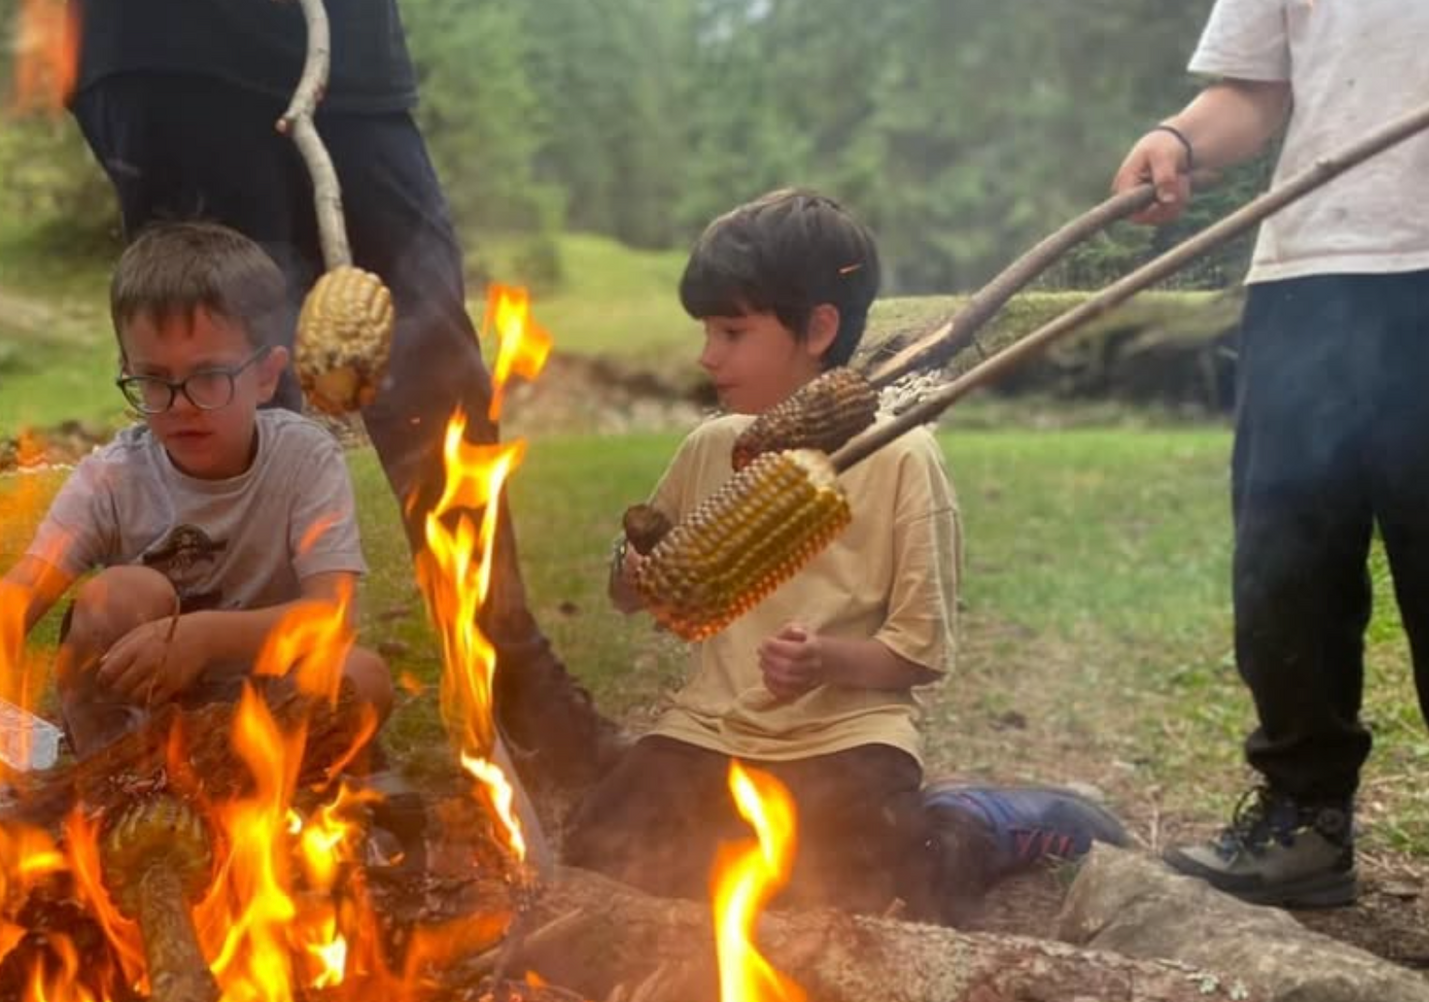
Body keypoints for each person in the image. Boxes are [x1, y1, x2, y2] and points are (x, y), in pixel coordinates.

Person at [64, 0, 618, 785]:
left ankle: (514, 672)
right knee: (233, 376)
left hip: (347, 55)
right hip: (173, 40)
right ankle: (270, 707)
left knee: (437, 367)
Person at [562, 190, 1126, 920]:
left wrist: (826, 660)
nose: (708, 355)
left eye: (733, 331)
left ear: (818, 327)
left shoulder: (901, 456)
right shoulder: (710, 447)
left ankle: (983, 819)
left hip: (844, 736)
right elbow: (626, 589)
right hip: (711, 729)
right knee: (604, 849)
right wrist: (633, 570)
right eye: (706, 331)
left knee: (880, 890)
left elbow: (919, 651)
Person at [1110, 0, 1429, 909]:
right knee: (1284, 568)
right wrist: (1179, 137)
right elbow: (1254, 90)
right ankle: (1303, 819)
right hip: (1308, 270)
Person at [0, 220, 394, 762]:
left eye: (209, 377)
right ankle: (108, 770)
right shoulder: (113, 478)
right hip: (134, 709)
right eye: (155, 379)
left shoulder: (304, 460)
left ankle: (249, 782)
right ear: (127, 370)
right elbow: (17, 594)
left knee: (363, 677)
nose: (181, 403)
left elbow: (331, 615)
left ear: (266, 377)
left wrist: (204, 637)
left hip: (259, 706)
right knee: (123, 594)